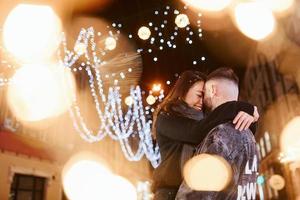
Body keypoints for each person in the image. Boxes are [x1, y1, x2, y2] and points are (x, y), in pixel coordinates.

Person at [152, 70, 259, 200]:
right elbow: (196, 132)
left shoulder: (205, 121)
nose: (202, 101)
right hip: (169, 193)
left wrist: (249, 118)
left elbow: (230, 129)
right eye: (199, 94)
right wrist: (241, 107)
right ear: (184, 90)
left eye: (204, 96)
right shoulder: (167, 117)